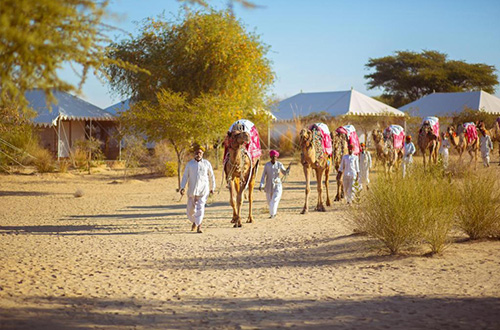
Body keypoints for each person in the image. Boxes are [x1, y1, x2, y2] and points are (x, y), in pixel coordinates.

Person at [180, 146, 216, 233]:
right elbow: (185, 176)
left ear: (202, 154)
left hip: (203, 190)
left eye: (200, 153)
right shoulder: (189, 164)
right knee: (190, 210)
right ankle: (195, 222)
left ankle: (199, 225)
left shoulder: (207, 163)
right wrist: (182, 187)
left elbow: (211, 176)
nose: (198, 154)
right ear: (194, 154)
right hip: (192, 190)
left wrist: (212, 187)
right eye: (197, 153)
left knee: (200, 208)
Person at [259, 150, 289, 218]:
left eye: (275, 157)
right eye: (272, 157)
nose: (274, 158)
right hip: (268, 186)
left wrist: (287, 171)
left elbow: (284, 173)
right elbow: (263, 175)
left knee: (274, 200)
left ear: (277, 157)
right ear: (270, 157)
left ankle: (272, 214)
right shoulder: (267, 165)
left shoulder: (279, 164)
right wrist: (261, 184)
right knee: (269, 202)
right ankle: (273, 213)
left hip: (277, 185)